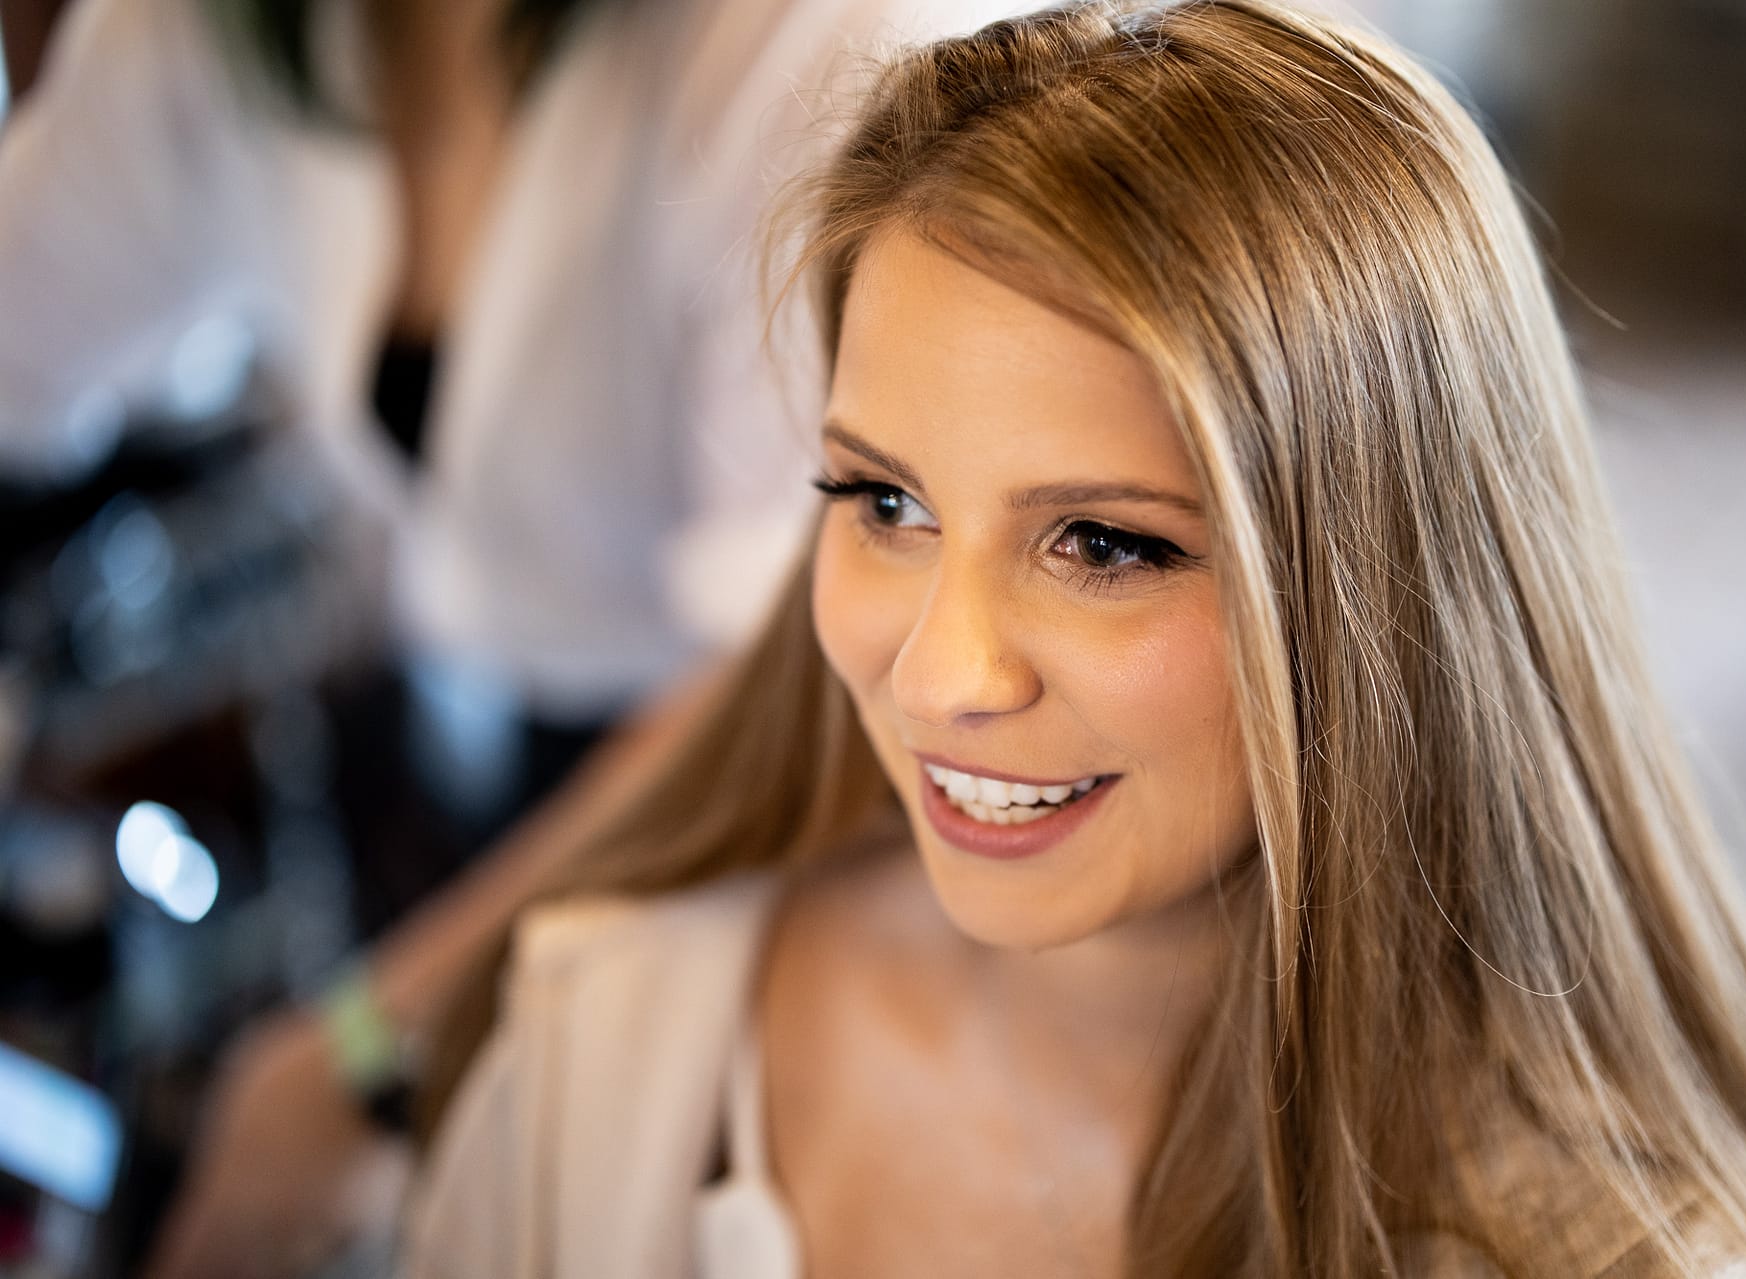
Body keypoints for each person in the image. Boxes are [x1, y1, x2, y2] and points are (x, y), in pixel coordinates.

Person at [394, 0, 1746, 1274]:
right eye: (884, 502)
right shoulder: (610, 1045)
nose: (939, 676)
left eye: (1104, 545)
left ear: (1387, 591)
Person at [0, 0, 1016, 1273]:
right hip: (468, 729)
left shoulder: (793, 46)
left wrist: (367, 1051)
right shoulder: (205, 35)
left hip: (756, 804)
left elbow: (797, 674)